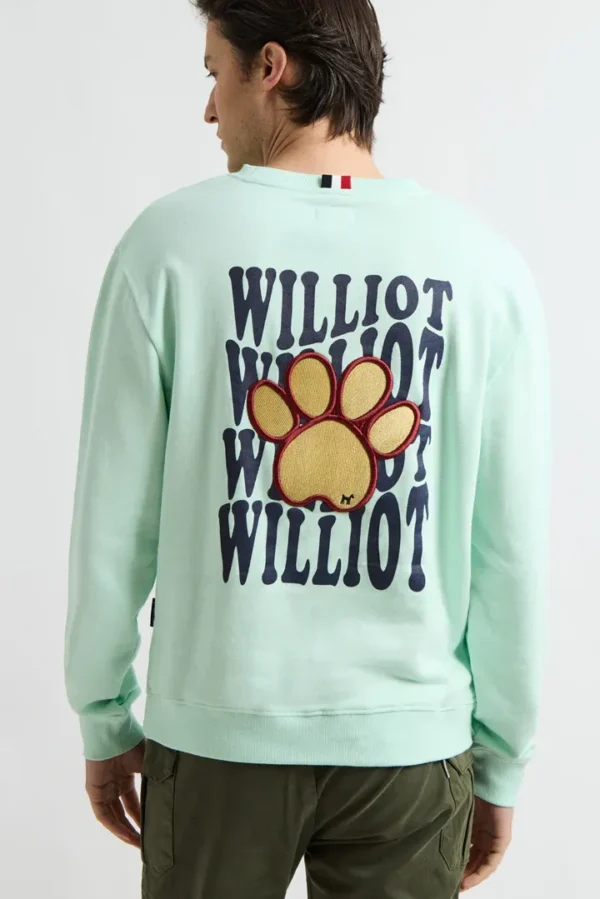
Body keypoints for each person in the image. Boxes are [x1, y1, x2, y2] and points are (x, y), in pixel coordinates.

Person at [64, 1, 551, 897]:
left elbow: (112, 520)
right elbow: (509, 550)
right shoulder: (484, 271)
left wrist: (103, 713)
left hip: (216, 735)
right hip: (410, 744)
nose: (209, 109)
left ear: (270, 67)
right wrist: (501, 758)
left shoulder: (167, 248)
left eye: (214, 74)